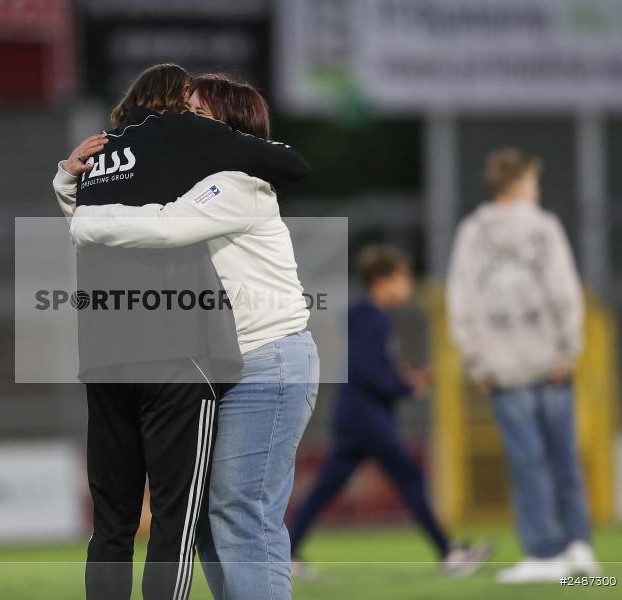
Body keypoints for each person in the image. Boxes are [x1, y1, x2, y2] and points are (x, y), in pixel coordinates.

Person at [53, 64, 310, 600]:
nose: (180, 123)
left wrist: (82, 222)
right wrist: (68, 182)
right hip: (225, 361)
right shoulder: (194, 176)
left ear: (227, 127)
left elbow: (162, 226)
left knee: (240, 514)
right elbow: (130, 214)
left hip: (267, 357)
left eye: (195, 114)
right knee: (212, 519)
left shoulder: (236, 184)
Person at [287, 246, 494, 578]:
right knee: (409, 477)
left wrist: (402, 377)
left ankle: (287, 552)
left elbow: (372, 367)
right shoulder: (375, 318)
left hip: (355, 414)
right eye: (403, 278)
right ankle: (450, 553)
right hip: (367, 416)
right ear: (382, 282)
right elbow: (369, 371)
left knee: (327, 486)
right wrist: (406, 386)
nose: (408, 285)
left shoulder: (366, 316)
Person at [447, 147, 598, 583]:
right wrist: (570, 348)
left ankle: (544, 555)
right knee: (563, 457)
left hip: (502, 365)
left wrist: (476, 360)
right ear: (519, 184)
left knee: (526, 461)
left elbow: (463, 301)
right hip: (550, 359)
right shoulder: (544, 226)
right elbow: (564, 290)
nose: (537, 189)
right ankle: (578, 547)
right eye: (533, 182)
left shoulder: (473, 232)